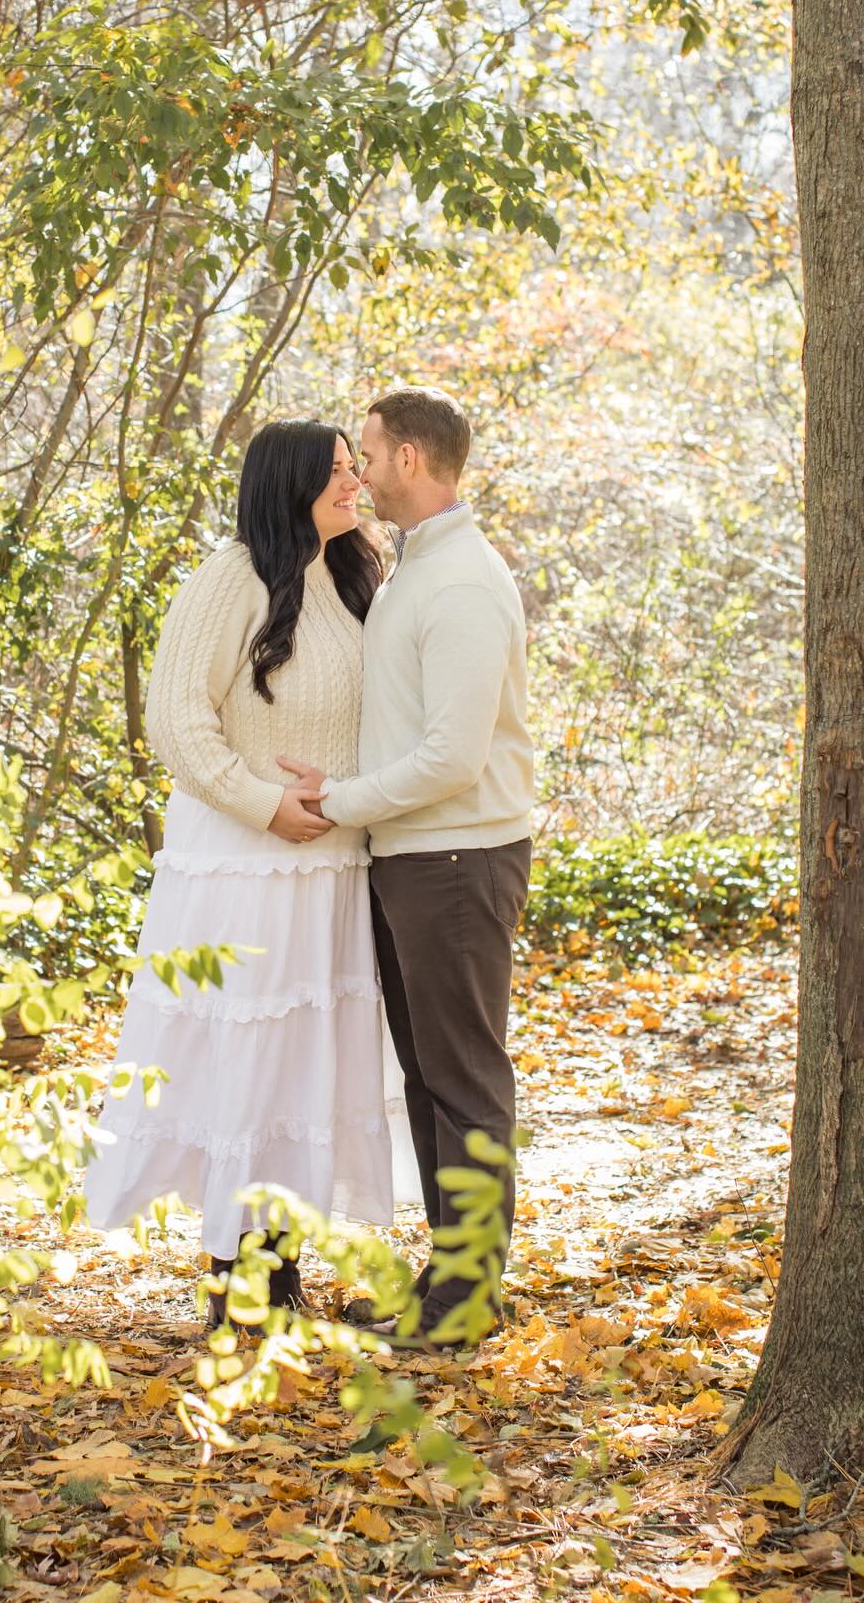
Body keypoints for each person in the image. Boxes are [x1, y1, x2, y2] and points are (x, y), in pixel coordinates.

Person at [83, 420, 397, 1321]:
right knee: (249, 1062)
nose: (355, 482)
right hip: (245, 869)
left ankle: (281, 1263)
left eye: (355, 466)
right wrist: (261, 803)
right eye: (336, 471)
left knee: (306, 1068)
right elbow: (176, 720)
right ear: (288, 482)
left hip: (333, 868)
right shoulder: (233, 577)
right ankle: (235, 1279)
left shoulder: (355, 578)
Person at [278, 386, 535, 1342]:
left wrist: (339, 801)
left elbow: (452, 758)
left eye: (371, 455)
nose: (361, 471)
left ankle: (467, 1300)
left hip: (458, 859)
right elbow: (404, 728)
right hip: (415, 857)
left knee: (462, 1078)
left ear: (413, 462)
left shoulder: (462, 580)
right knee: (431, 1078)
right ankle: (451, 1283)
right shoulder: (413, 572)